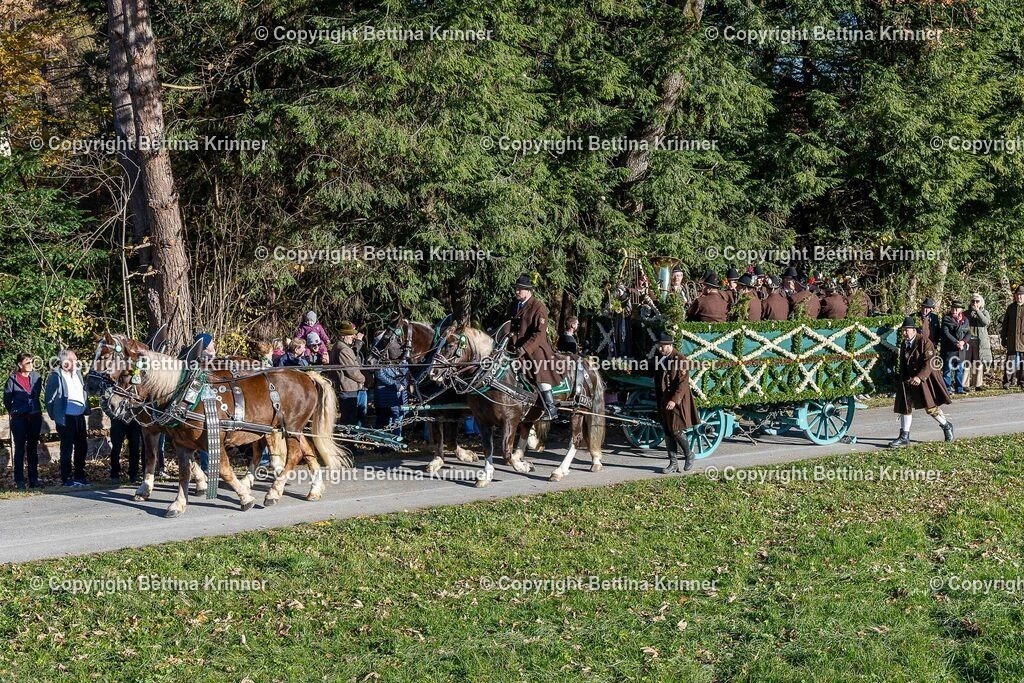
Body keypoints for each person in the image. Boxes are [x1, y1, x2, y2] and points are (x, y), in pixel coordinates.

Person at [889, 316, 954, 447]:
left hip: (925, 379)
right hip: (908, 380)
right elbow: (903, 363)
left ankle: (946, 426)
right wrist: (902, 379)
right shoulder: (904, 344)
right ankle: (904, 436)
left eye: (907, 330)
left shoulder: (925, 342)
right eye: (903, 330)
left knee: (930, 408)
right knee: (905, 406)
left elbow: (929, 362)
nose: (904, 333)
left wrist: (919, 377)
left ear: (914, 330)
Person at [507, 274, 562, 420]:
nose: (517, 291)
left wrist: (525, 348)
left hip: (536, 348)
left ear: (529, 291)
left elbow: (539, 333)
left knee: (540, 371)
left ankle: (551, 408)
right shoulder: (514, 305)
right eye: (516, 288)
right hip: (514, 347)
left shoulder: (538, 307)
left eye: (520, 289)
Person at [653, 331, 699, 473]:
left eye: (662, 347)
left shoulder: (680, 359)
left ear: (670, 345)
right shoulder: (659, 358)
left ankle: (689, 454)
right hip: (663, 399)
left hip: (677, 401)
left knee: (676, 430)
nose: (660, 349)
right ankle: (673, 464)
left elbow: (682, 383)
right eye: (659, 346)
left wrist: (674, 400)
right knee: (667, 431)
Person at [44, 349, 90, 487]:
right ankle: (67, 477)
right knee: (67, 448)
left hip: (79, 416)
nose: (76, 362)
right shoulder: (56, 377)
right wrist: (56, 416)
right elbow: (49, 399)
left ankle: (80, 475)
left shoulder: (78, 374)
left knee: (82, 447)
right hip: (66, 418)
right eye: (73, 360)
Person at [3, 353, 43, 489]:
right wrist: (16, 411)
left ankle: (34, 479)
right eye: (28, 363)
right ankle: (19, 480)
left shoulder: (37, 377)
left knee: (32, 448)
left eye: (32, 362)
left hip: (35, 416)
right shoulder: (12, 380)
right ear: (20, 365)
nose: (31, 365)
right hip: (19, 419)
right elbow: (7, 400)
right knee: (19, 448)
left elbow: (37, 395)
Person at [372, 331, 409, 435]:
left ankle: (396, 441)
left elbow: (406, 372)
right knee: (384, 419)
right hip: (384, 393)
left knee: (399, 418)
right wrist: (396, 385)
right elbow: (380, 374)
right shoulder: (380, 354)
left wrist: (403, 384)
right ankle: (383, 444)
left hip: (400, 393)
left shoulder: (402, 354)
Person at [331, 321, 368, 426]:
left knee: (349, 417)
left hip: (347, 388)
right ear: (343, 336)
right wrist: (364, 379)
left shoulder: (338, 346)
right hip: (347, 388)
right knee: (349, 419)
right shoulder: (344, 349)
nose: (353, 337)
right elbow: (352, 371)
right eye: (350, 335)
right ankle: (349, 441)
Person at [940, 301, 970, 394]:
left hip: (961, 349)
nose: (954, 310)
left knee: (960, 369)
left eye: (957, 308)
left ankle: (959, 388)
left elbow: (968, 333)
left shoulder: (965, 320)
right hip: (949, 348)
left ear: (961, 310)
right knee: (948, 370)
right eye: (953, 308)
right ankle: (947, 389)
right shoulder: (946, 319)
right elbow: (946, 333)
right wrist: (956, 342)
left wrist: (963, 342)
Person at [964, 294, 992, 391]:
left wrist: (978, 311)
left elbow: (986, 322)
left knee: (978, 362)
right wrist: (970, 314)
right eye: (973, 301)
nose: (975, 303)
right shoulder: (966, 313)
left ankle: (978, 384)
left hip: (980, 341)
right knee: (966, 362)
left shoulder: (985, 312)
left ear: (981, 302)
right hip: (968, 340)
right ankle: (965, 384)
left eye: (977, 301)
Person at [1001, 285, 1024, 390]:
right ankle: (1007, 381)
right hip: (1012, 338)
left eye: (1021, 295)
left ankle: (1022, 381)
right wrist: (1003, 337)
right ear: (1015, 296)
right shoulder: (1011, 307)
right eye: (1018, 295)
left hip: (1023, 340)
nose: (1019, 297)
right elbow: (1005, 323)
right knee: (1010, 361)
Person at [109, 416, 142, 484]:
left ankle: (133, 474)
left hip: (134, 419)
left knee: (135, 448)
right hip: (118, 419)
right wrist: (112, 415)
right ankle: (114, 474)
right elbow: (105, 405)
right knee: (116, 448)